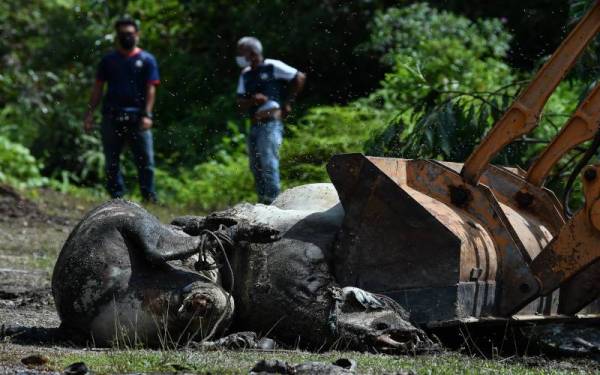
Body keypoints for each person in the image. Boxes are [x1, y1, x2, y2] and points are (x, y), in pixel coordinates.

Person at [83, 18, 160, 203]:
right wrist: (89, 113)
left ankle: (149, 197)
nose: (127, 37)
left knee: (146, 162)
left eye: (130, 34)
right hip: (112, 115)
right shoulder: (108, 60)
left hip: (138, 117)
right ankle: (116, 199)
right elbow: (98, 89)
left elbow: (151, 89)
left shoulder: (147, 60)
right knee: (112, 162)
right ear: (117, 36)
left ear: (137, 35)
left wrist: (148, 115)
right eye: (123, 34)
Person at [236, 36, 306, 204]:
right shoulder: (245, 74)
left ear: (252, 53)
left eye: (241, 53)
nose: (239, 57)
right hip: (254, 124)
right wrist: (253, 101)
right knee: (256, 165)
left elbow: (300, 77)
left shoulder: (272, 65)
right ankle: (262, 202)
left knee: (269, 162)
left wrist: (288, 103)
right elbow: (239, 103)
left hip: (271, 123)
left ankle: (274, 203)